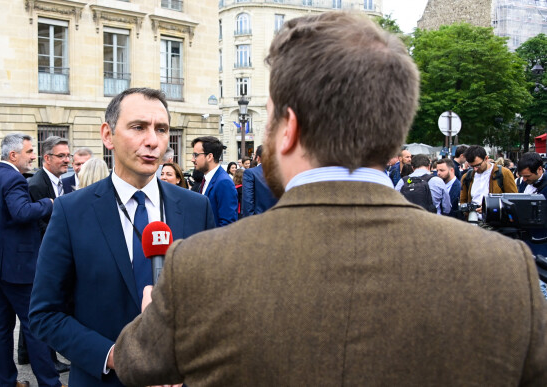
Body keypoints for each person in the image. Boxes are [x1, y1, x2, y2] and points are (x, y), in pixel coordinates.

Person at [113, 12, 547, 386]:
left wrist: (155, 316)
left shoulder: (198, 268)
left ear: (291, 129)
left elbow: (133, 366)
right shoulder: (506, 270)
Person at [29, 87, 215, 386]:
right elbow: (44, 314)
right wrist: (117, 356)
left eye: (162, 129)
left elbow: (211, 302)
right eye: (138, 127)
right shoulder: (71, 211)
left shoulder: (196, 208)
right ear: (108, 135)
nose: (152, 141)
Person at [0, 133, 62, 387]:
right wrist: (49, 202)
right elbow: (22, 212)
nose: (33, 156)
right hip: (18, 268)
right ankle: (50, 383)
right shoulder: (14, 179)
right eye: (30, 151)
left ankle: (7, 382)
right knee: (34, 325)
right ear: (13, 155)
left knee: (1, 326)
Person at [25, 135, 72, 373]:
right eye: (61, 156)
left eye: (68, 155)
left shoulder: (64, 181)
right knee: (46, 305)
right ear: (47, 158)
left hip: (56, 249)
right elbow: (39, 224)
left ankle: (26, 353)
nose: (67, 160)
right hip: (45, 253)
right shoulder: (36, 185)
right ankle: (47, 359)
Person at [191, 136, 238, 226]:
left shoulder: (224, 183)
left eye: (196, 155)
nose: (192, 159)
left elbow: (227, 225)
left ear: (209, 156)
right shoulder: (206, 179)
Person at [459, 145, 517, 215]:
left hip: (495, 222)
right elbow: (463, 201)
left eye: (478, 165)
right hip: (473, 221)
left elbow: (513, 200)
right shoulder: (467, 177)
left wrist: (488, 208)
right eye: (472, 166)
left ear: (486, 158)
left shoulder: (504, 173)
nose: (475, 169)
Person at [517, 152, 547, 257]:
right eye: (522, 176)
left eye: (527, 176)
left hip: (541, 242)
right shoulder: (525, 182)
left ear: (539, 169)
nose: (524, 179)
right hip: (524, 239)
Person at [242, 145, 278, 217]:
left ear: (258, 158)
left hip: (258, 219)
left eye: (254, 154)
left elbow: (248, 201)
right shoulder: (283, 173)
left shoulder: (250, 173)